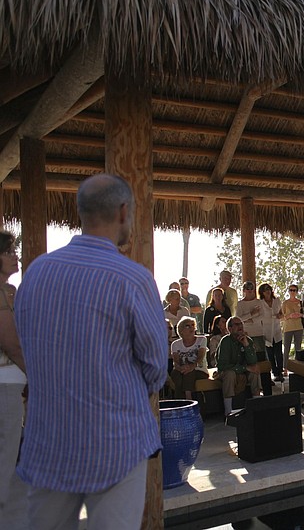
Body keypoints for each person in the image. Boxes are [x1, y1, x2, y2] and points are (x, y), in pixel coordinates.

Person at [14, 173, 168, 529]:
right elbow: (156, 368)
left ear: (81, 212)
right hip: (116, 441)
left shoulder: (36, 272)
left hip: (48, 440)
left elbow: (28, 345)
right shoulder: (132, 279)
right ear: (123, 211)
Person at [0, 231, 26, 528]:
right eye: (9, 252)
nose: (15, 256)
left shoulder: (7, 291)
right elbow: (11, 343)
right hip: (5, 384)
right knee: (6, 459)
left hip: (9, 383)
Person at [216, 316, 261, 415]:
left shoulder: (248, 340)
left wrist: (246, 345)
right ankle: (228, 412)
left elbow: (253, 361)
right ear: (230, 329)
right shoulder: (225, 341)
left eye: (241, 324)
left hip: (242, 370)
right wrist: (244, 368)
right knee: (230, 374)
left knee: (255, 371)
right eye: (237, 324)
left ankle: (257, 407)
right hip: (228, 371)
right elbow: (222, 365)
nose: (240, 326)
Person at [169, 316, 208, 399]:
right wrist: (181, 368)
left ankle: (188, 399)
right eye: (188, 326)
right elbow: (176, 362)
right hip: (181, 370)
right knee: (176, 375)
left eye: (193, 325)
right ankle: (179, 401)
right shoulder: (175, 344)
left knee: (189, 373)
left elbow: (200, 357)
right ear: (181, 330)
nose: (192, 328)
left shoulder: (202, 340)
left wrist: (191, 367)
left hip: (199, 370)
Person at [258, 283, 284, 382]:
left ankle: (280, 371)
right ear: (262, 292)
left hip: (277, 330)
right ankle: (274, 372)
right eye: (265, 290)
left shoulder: (277, 301)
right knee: (270, 354)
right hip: (266, 331)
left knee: (278, 353)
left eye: (268, 289)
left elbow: (282, 313)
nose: (267, 291)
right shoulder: (260, 303)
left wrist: (279, 316)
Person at [282, 284, 304, 373]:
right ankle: (285, 368)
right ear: (288, 291)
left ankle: (297, 368)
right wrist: (290, 316)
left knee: (298, 348)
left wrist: (300, 315)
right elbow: (282, 317)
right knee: (286, 348)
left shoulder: (300, 302)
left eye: (294, 290)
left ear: (297, 292)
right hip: (288, 328)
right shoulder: (285, 303)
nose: (292, 292)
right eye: (291, 290)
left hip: (299, 327)